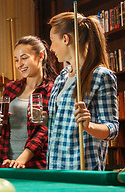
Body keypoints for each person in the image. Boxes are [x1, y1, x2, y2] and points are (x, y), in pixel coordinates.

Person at [45, 12, 118, 170]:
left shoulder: (101, 76)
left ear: (65, 39)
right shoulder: (62, 77)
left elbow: (112, 129)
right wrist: (45, 118)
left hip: (81, 171)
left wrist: (88, 126)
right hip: (55, 169)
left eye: (52, 41)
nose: (51, 48)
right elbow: (60, 123)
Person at [0, 36, 57, 169]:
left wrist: (22, 159)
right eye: (16, 60)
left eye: (24, 58)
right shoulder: (11, 88)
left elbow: (44, 131)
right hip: (6, 162)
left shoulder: (53, 89)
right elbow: (0, 130)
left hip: (37, 164)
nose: (19, 64)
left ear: (40, 56)